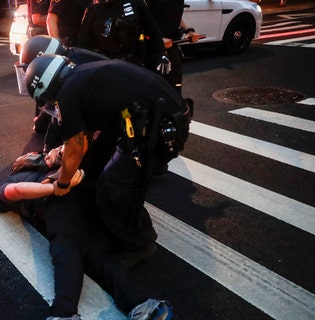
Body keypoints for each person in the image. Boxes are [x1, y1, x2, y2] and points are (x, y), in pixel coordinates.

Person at [24, 54, 192, 268]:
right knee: (95, 162)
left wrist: (63, 183)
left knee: (113, 186)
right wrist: (65, 170)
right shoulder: (81, 74)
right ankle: (109, 217)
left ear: (47, 86)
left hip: (159, 129)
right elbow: (84, 137)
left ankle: (140, 242)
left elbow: (77, 145)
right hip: (154, 119)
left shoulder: (68, 92)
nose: (50, 105)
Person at [0, 149, 173, 320]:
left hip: (60, 198)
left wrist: (55, 188)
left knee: (65, 249)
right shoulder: (28, 171)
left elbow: (14, 191)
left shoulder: (7, 187)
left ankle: (64, 313)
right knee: (94, 256)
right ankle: (145, 304)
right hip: (85, 195)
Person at [76, 0, 167, 72]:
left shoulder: (135, 3)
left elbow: (153, 31)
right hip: (105, 67)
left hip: (134, 64)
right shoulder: (93, 10)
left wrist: (161, 54)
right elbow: (83, 44)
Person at [147, 0, 200, 94]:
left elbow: (175, 17)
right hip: (153, 48)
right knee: (157, 91)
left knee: (176, 87)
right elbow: (143, 19)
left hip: (173, 44)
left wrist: (188, 30)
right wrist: (158, 38)